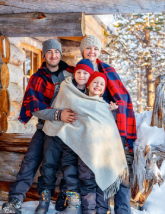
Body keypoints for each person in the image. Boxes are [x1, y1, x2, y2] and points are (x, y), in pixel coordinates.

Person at [2, 39, 76, 214]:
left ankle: (65, 195)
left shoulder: (71, 73)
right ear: (44, 56)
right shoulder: (37, 77)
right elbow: (35, 108)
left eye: (56, 52)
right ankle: (15, 201)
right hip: (44, 127)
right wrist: (58, 114)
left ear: (60, 54)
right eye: (49, 52)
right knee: (30, 160)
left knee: (69, 162)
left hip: (67, 129)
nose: (53, 55)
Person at [42, 64, 128, 214]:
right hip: (85, 153)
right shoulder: (79, 101)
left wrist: (114, 112)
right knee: (87, 184)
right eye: (95, 82)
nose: (98, 86)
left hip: (103, 156)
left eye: (102, 84)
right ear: (89, 84)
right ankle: (89, 211)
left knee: (102, 188)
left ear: (104, 90)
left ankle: (101, 211)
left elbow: (109, 129)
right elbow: (75, 122)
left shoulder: (106, 107)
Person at [80, 35, 137, 214]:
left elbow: (122, 96)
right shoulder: (79, 71)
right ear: (82, 51)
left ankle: (123, 210)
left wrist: (116, 108)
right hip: (91, 129)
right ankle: (101, 210)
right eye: (88, 48)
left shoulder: (108, 70)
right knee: (99, 170)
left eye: (95, 49)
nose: (92, 52)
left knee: (121, 170)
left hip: (112, 127)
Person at [35, 59, 95, 214]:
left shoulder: (91, 93)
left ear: (91, 76)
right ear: (74, 73)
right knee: (48, 164)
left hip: (73, 135)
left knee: (70, 166)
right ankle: (44, 199)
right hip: (54, 130)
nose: (82, 75)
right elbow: (57, 106)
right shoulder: (65, 86)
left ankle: (73, 200)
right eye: (79, 72)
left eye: (86, 73)